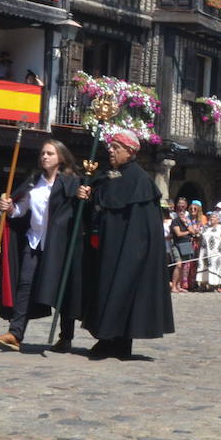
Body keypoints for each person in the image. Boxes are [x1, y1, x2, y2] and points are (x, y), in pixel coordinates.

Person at [77, 130, 175, 360]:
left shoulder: (140, 181)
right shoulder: (109, 176)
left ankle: (116, 342)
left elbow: (142, 227)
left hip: (128, 251)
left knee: (123, 292)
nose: (110, 150)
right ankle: (108, 338)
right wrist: (87, 194)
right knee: (105, 290)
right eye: (110, 147)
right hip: (106, 248)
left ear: (130, 152)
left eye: (116, 147)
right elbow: (100, 202)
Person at [0, 140, 84, 352]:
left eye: (50, 153)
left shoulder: (71, 182)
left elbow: (79, 212)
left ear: (60, 157)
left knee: (62, 291)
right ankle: (15, 333)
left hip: (59, 246)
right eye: (42, 153)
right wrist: (9, 206)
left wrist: (82, 198)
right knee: (25, 285)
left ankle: (66, 337)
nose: (44, 157)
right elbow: (21, 209)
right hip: (34, 242)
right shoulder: (34, 181)